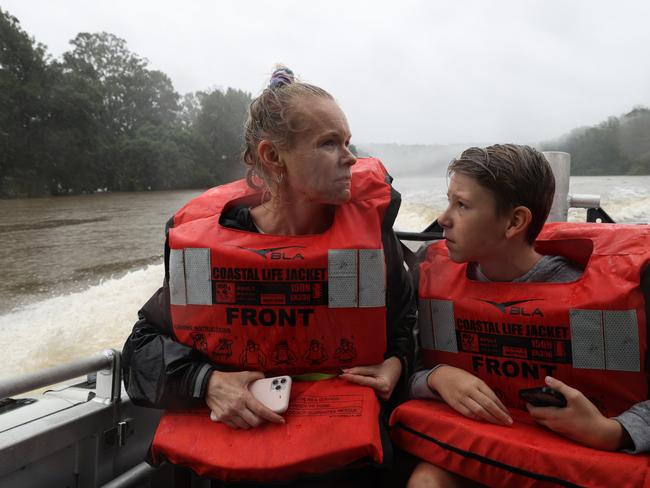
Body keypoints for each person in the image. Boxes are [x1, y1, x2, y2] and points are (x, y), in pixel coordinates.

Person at [122, 66, 416, 483]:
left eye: (347, 142)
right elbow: (141, 349)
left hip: (345, 461)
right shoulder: (210, 249)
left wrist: (396, 363)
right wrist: (206, 382)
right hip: (235, 459)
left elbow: (405, 320)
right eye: (329, 143)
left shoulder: (369, 240)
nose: (351, 158)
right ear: (273, 157)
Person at [395, 144, 650, 487]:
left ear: (515, 221)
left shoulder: (608, 300)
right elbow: (407, 370)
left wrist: (613, 431)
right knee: (428, 480)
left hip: (578, 461)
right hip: (482, 447)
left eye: (463, 205)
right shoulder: (432, 283)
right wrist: (437, 378)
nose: (443, 218)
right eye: (448, 201)